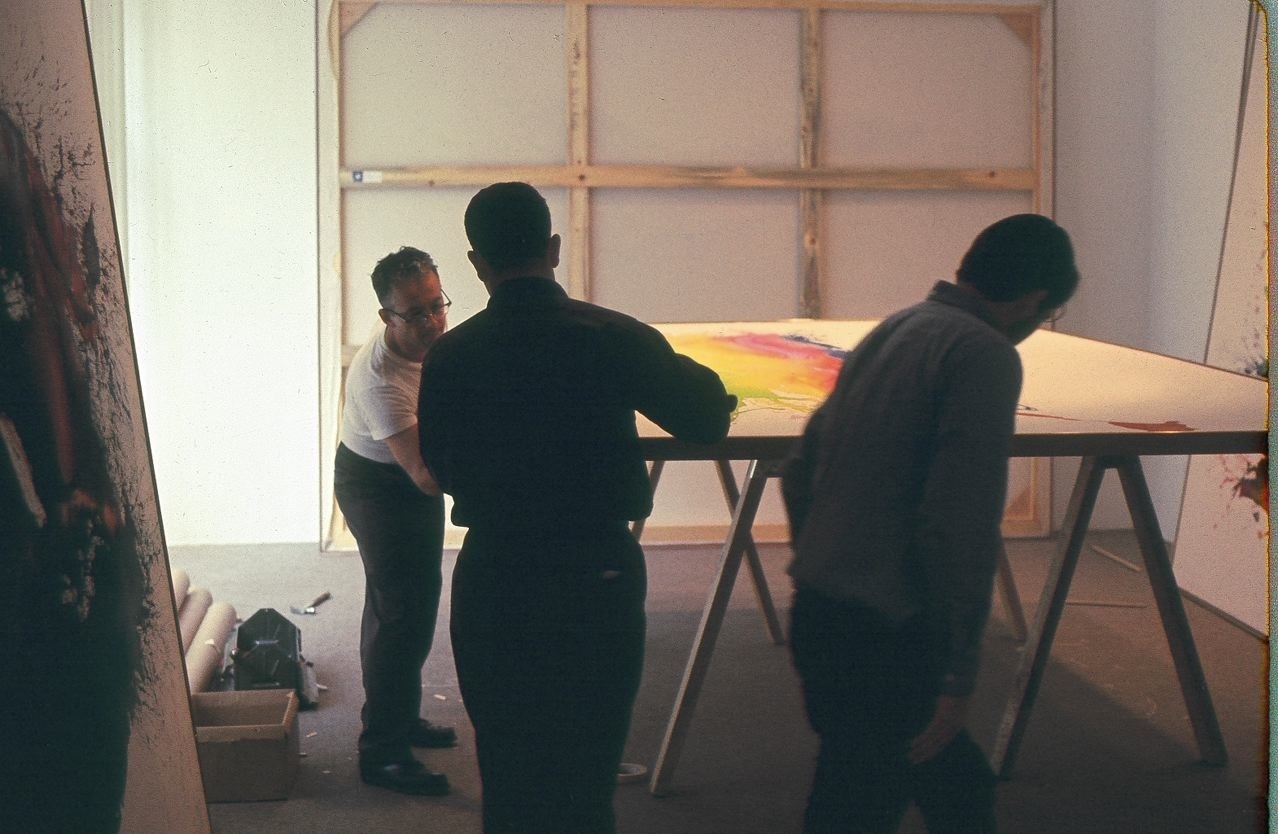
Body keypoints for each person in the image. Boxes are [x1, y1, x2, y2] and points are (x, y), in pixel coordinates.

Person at [418, 182, 737, 833]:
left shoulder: (450, 356)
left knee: (508, 774)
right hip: (596, 570)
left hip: (496, 575)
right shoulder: (612, 335)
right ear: (554, 248)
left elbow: (443, 470)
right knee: (587, 778)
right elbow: (705, 418)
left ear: (477, 263)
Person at [781, 214, 1079, 833]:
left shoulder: (897, 327)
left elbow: (800, 467)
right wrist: (956, 670)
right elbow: (959, 519)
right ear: (1032, 300)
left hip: (822, 608)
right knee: (866, 798)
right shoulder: (984, 354)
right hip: (888, 628)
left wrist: (820, 556)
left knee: (932, 784)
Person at [334, 246, 457, 796]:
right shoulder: (379, 380)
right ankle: (381, 753)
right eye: (416, 313)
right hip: (375, 486)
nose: (432, 321)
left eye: (437, 304)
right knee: (398, 611)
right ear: (387, 317)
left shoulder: (427, 341)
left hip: (408, 467)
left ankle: (402, 718)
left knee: (417, 600)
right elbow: (427, 478)